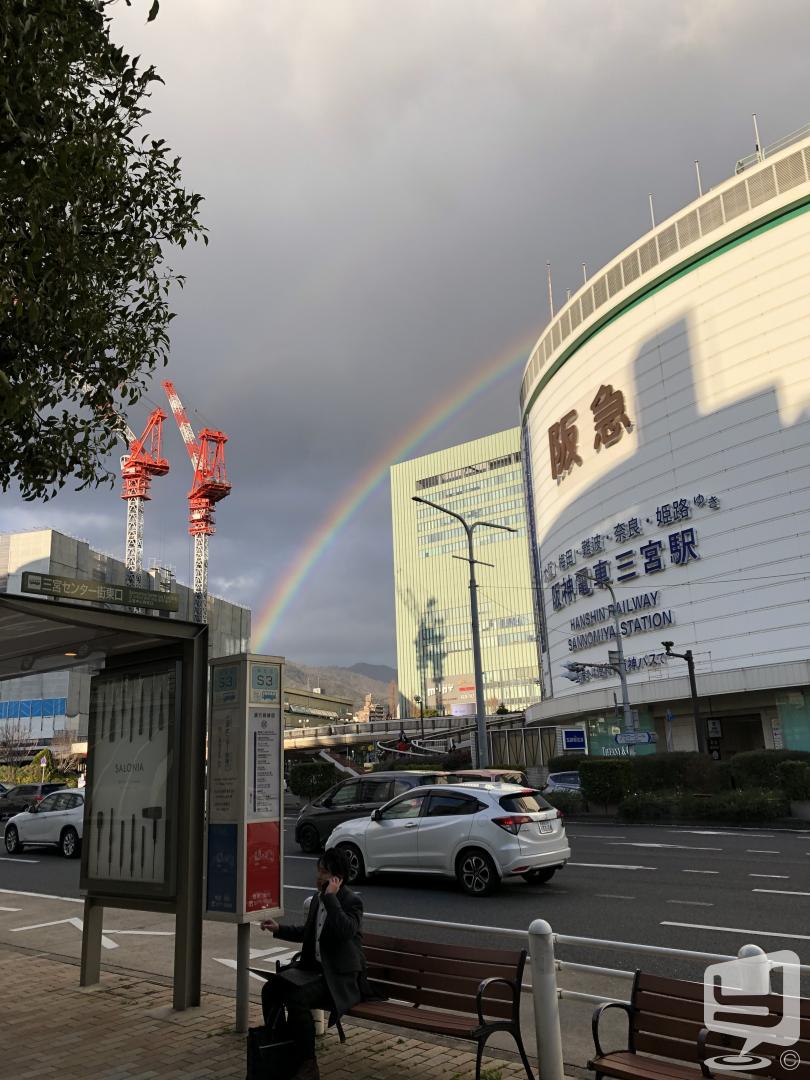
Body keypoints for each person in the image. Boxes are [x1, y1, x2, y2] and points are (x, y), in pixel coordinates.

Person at [259, 847, 365, 1080]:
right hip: (313, 972)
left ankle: (308, 1064)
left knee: (297, 999)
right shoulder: (318, 900)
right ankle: (281, 1046)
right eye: (318, 871)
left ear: (337, 878)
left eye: (324, 873)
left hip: (337, 978)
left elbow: (345, 930)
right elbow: (308, 932)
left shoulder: (351, 902)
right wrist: (279, 928)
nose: (318, 877)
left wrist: (331, 898)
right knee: (271, 990)